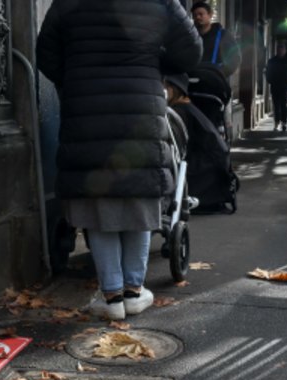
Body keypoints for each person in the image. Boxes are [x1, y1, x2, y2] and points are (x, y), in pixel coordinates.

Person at [37, 0, 201, 321]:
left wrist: (76, 75)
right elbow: (190, 52)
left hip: (86, 103)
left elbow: (47, 53)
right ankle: (134, 291)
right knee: (139, 191)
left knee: (97, 199)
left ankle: (111, 295)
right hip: (140, 103)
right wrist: (152, 58)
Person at [165, 74, 232, 214]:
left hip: (203, 169)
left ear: (174, 90)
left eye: (166, 87)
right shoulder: (187, 107)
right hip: (213, 167)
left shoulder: (179, 112)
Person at [192, 1, 241, 76]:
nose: (197, 17)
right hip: (195, 80)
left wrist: (221, 73)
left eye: (201, 14)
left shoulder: (223, 35)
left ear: (210, 15)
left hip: (216, 81)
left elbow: (235, 58)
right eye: (195, 15)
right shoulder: (191, 37)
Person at [265, 41, 287, 132]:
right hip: (275, 86)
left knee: (283, 106)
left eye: (282, 49)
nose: (280, 50)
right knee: (276, 106)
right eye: (278, 49)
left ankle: (284, 123)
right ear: (276, 50)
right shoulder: (272, 61)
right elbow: (267, 72)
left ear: (285, 50)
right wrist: (270, 81)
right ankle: (276, 123)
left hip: (284, 87)